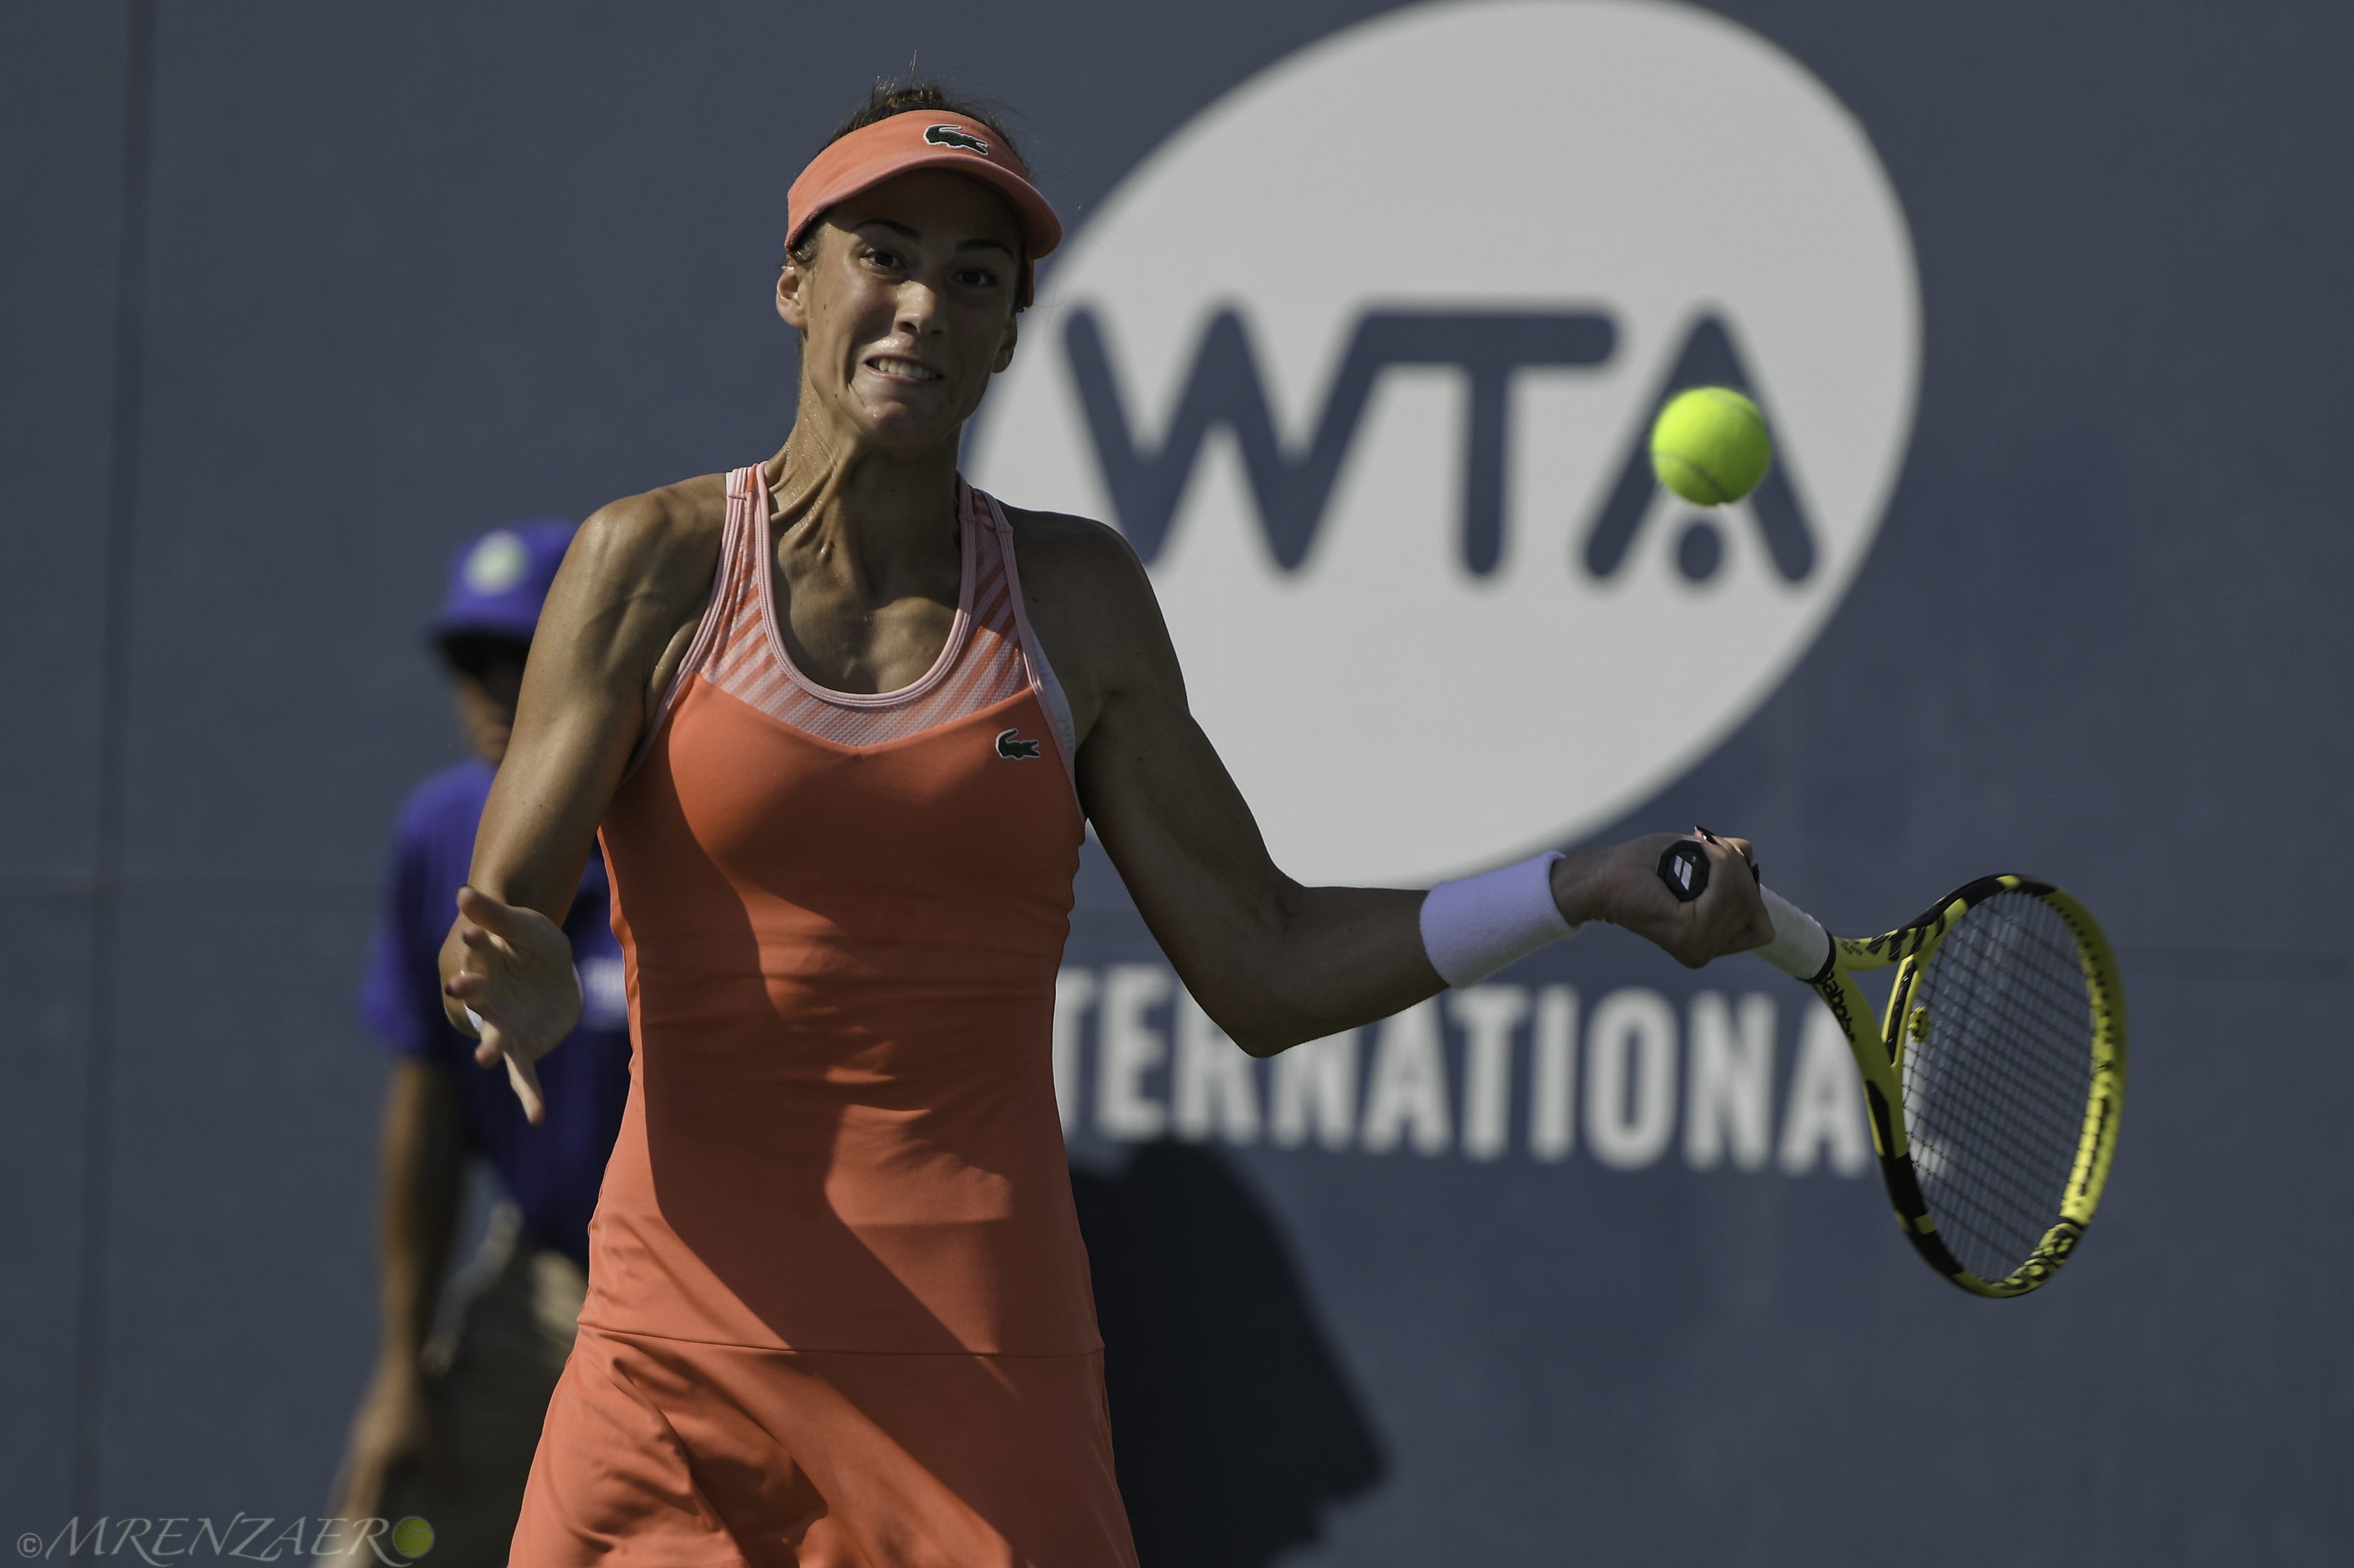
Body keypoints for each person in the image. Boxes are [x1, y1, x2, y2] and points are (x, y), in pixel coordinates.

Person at [442, 80, 1779, 1566]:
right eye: (882, 254)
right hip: (678, 1356)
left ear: (1010, 331)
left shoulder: (1075, 600)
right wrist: (518, 975)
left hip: (983, 1370)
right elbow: (506, 914)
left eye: (974, 277)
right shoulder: (651, 564)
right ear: (793, 281)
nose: (921, 307)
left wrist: (1574, 884)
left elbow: (1263, 963)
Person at [329, 522, 634, 1565]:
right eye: (473, 660)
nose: (498, 688)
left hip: (721, 1297)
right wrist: (401, 1368)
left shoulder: (691, 822)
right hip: (546, 1283)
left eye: (528, 655)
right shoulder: (440, 828)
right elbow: (427, 1106)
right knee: (385, 1541)